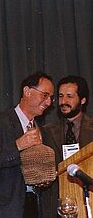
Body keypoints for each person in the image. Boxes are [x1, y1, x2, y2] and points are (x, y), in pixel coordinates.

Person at [0, 72, 54, 218]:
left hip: (36, 208)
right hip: (8, 210)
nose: (48, 102)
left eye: (51, 98)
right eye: (45, 95)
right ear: (27, 91)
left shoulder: (42, 130)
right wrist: (17, 145)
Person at [41, 75, 93, 218]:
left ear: (83, 100)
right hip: (57, 205)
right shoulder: (46, 131)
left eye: (69, 96)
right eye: (61, 96)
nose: (63, 102)